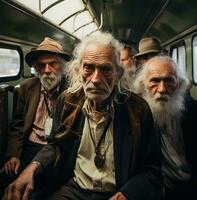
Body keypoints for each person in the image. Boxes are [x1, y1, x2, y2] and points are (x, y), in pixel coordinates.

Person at [3, 32, 162, 200]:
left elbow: (152, 171)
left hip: (117, 191)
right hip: (74, 190)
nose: (96, 79)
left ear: (118, 74)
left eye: (106, 69)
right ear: (78, 71)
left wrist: (128, 194)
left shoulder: (137, 110)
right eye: (88, 68)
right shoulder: (67, 101)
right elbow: (54, 145)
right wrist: (32, 168)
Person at [0, 37, 70, 197]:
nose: (47, 70)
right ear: (36, 69)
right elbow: (18, 124)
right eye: (41, 65)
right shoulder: (27, 87)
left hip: (56, 149)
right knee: (6, 181)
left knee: (40, 191)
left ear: (62, 67)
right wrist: (14, 154)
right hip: (29, 146)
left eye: (53, 64)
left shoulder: (72, 92)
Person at [133, 55, 197, 200]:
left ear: (179, 84)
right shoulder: (136, 116)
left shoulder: (193, 111)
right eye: (155, 81)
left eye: (169, 81)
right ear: (143, 85)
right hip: (159, 189)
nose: (161, 89)